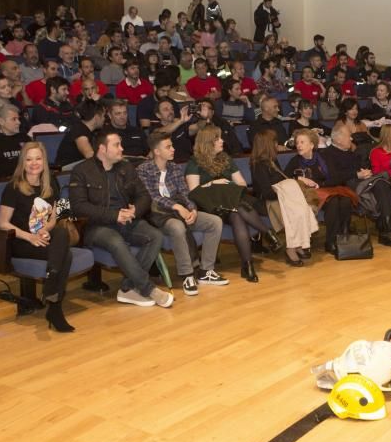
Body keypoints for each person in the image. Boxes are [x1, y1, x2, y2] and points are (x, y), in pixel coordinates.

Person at [70, 129, 173, 308]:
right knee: (116, 242)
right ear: (102, 149)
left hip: (127, 219)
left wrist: (135, 211)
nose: (121, 148)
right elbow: (79, 207)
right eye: (116, 145)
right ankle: (148, 289)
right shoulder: (81, 171)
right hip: (96, 226)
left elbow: (144, 196)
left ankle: (128, 287)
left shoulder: (126, 167)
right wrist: (114, 215)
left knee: (155, 236)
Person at [137, 131, 229, 294]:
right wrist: (177, 207)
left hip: (182, 211)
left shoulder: (174, 168)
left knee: (215, 222)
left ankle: (206, 271)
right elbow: (152, 197)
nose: (173, 149)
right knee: (178, 227)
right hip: (158, 215)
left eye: (172, 145)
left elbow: (186, 192)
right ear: (157, 151)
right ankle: (187, 274)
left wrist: (192, 209)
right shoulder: (143, 170)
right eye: (168, 147)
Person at [0, 143, 76, 331]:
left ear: (44, 161)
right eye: (29, 159)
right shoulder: (13, 187)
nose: (34, 163)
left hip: (43, 237)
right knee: (68, 255)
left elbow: (56, 216)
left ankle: (52, 282)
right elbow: (3, 223)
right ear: (22, 163)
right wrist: (30, 236)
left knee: (61, 231)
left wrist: (46, 229)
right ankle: (55, 308)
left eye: (38, 158)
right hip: (20, 241)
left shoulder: (52, 183)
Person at [186, 125, 280, 281]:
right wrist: (214, 184)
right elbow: (193, 192)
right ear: (208, 142)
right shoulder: (194, 162)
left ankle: (247, 264)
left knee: (236, 214)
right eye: (218, 138)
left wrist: (227, 184)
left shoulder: (226, 159)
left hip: (232, 204)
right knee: (238, 208)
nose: (222, 141)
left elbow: (242, 184)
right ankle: (267, 233)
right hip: (211, 206)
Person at [326, 123, 391, 247]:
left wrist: (364, 173)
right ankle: (386, 230)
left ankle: (386, 230)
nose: (351, 139)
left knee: (381, 183)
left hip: (361, 182)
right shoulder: (328, 154)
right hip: (345, 187)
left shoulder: (350, 153)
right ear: (338, 139)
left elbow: (358, 168)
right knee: (380, 183)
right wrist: (357, 175)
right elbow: (334, 177)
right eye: (349, 136)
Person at [249, 129, 316, 267]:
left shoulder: (272, 161)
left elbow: (282, 181)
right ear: (268, 144)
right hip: (267, 202)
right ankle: (291, 249)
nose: (276, 144)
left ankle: (299, 245)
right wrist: (286, 191)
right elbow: (267, 192)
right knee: (295, 213)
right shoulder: (258, 165)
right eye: (274, 142)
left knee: (303, 209)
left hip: (280, 198)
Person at [284, 128, 355, 255]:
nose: (299, 146)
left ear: (311, 145)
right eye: (297, 143)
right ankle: (330, 241)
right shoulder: (295, 161)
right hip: (308, 194)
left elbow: (335, 177)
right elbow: (284, 179)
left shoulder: (323, 157)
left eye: (302, 142)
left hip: (325, 189)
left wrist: (320, 184)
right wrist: (299, 178)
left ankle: (343, 239)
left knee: (345, 200)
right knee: (333, 202)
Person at [55, 100, 106, 169]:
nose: (104, 119)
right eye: (103, 116)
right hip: (66, 171)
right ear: (96, 117)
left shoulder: (86, 129)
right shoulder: (79, 129)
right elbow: (89, 154)